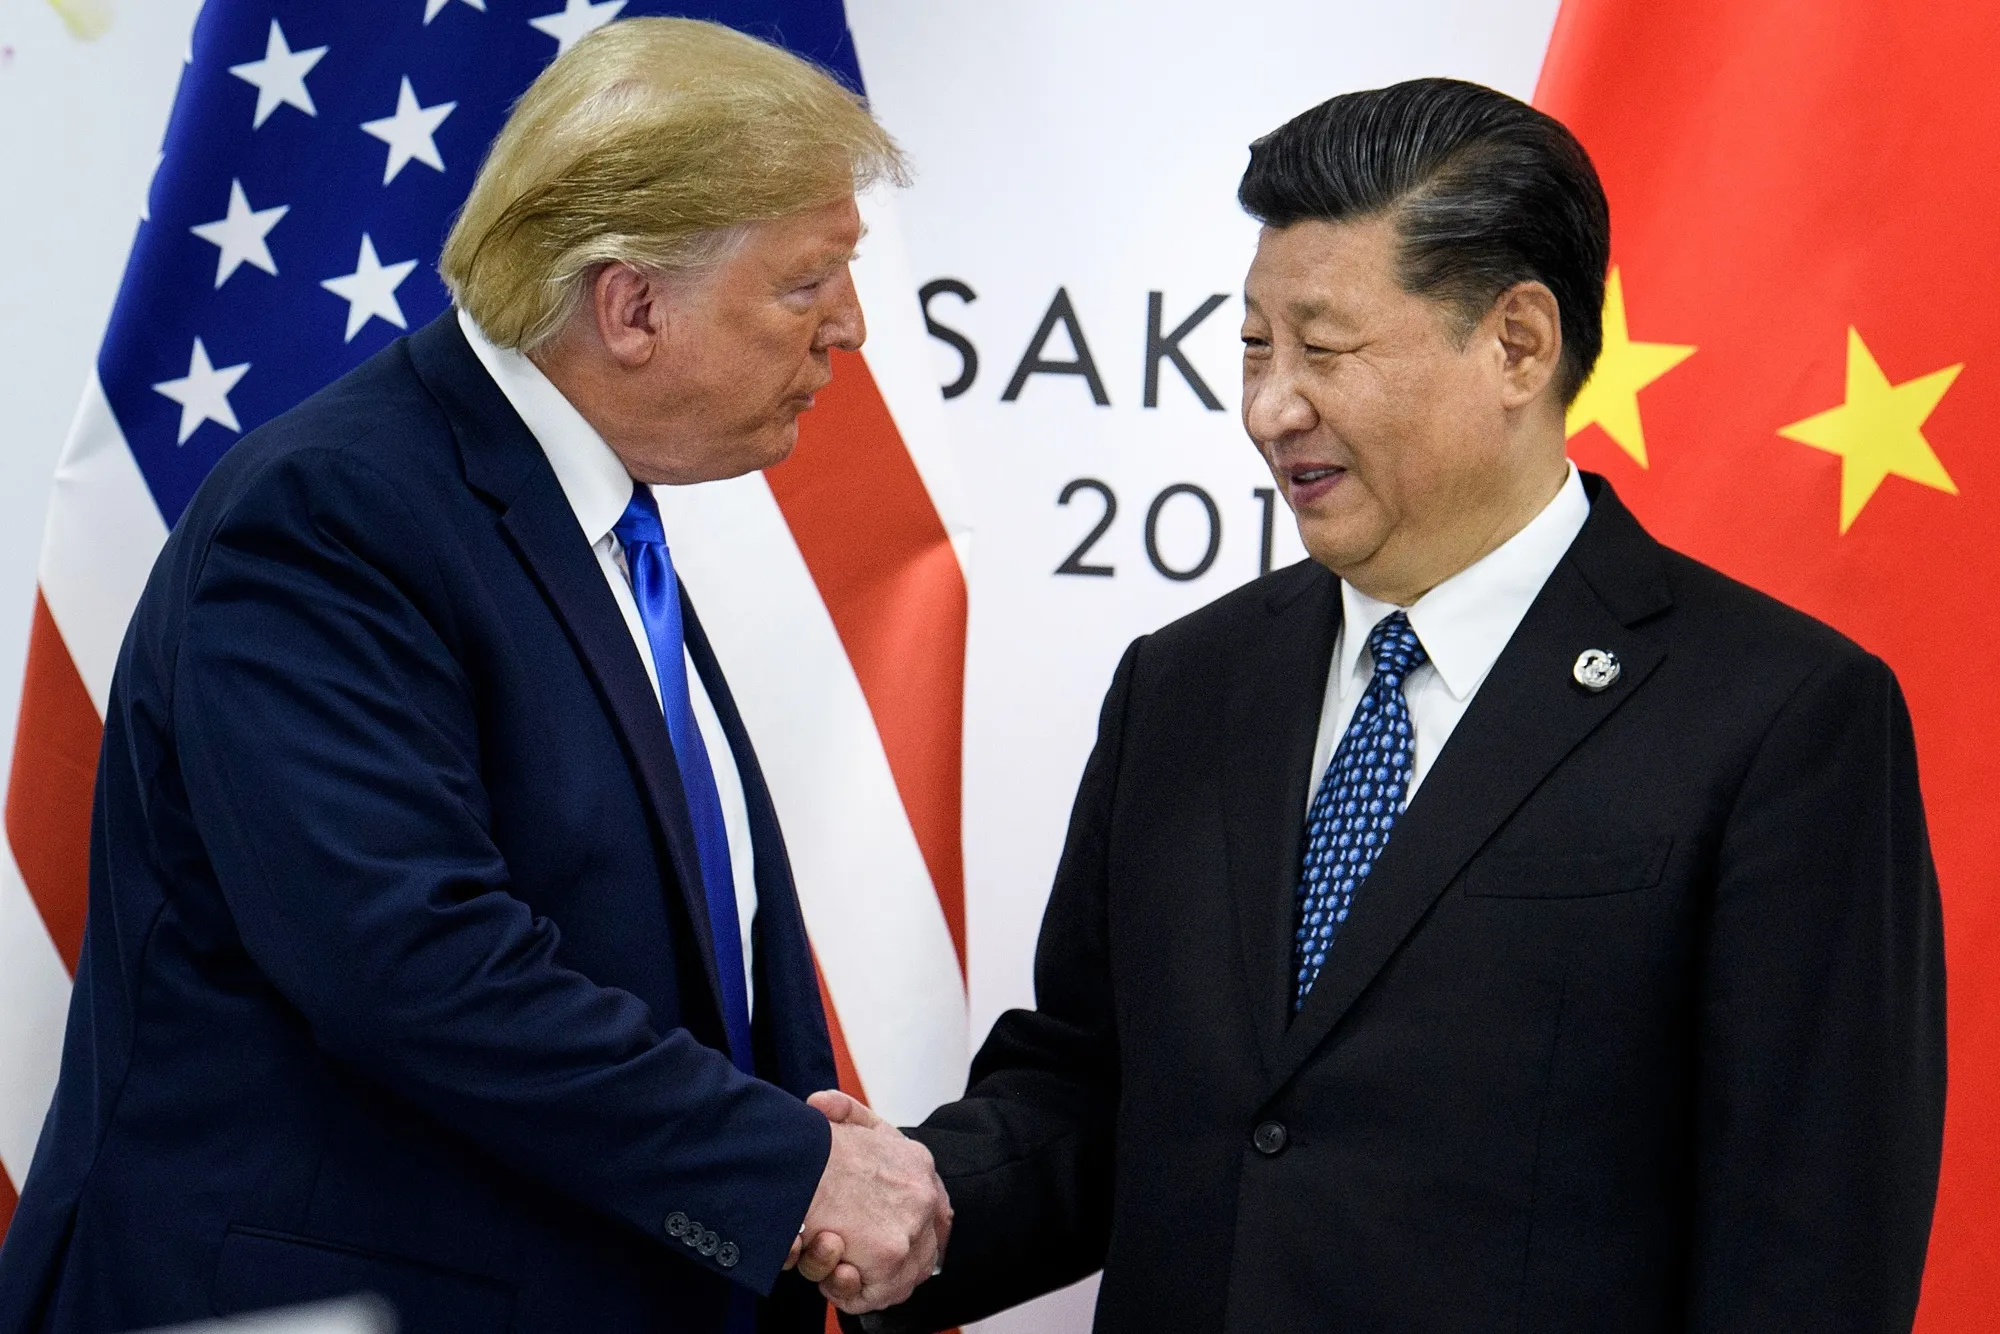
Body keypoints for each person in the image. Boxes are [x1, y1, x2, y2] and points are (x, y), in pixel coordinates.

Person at [832, 78, 1947, 1333]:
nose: (1268, 407)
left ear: (1515, 344)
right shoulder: (1183, 684)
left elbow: (1809, 1247)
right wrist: (909, 1199)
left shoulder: (1778, 717)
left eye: (1322, 347)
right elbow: (1094, 1089)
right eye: (1253, 344)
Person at [0, 19, 948, 1334]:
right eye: (808, 282)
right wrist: (786, 1172)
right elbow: (412, 959)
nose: (848, 328)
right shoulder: (334, 514)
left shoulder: (593, 523)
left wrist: (783, 1154)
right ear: (630, 305)